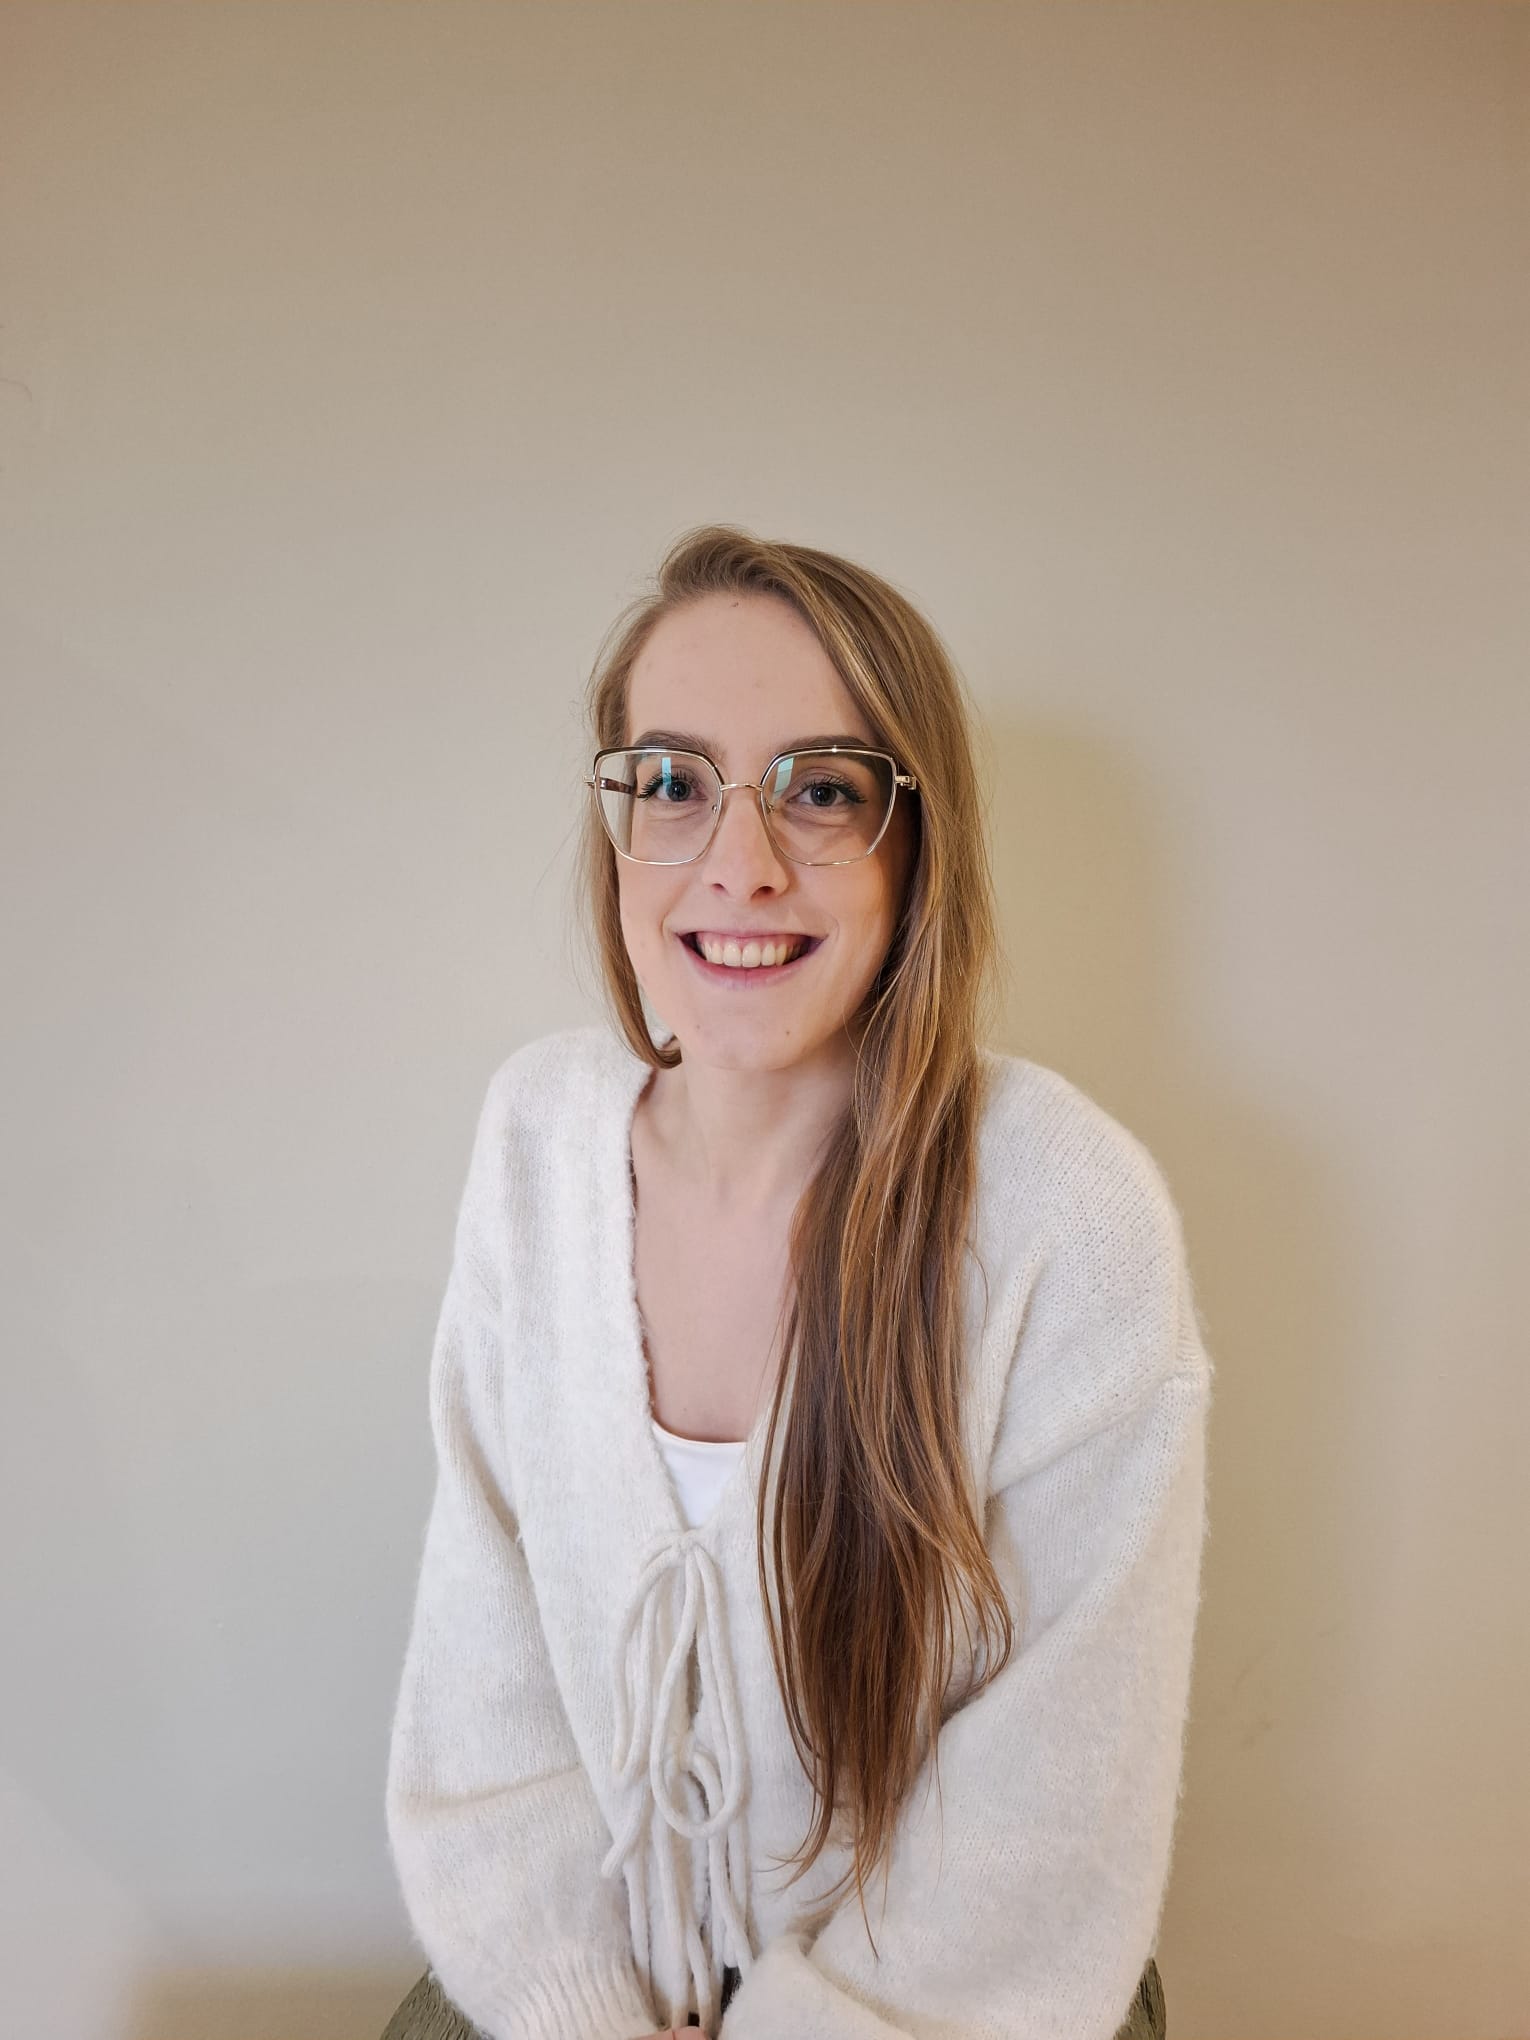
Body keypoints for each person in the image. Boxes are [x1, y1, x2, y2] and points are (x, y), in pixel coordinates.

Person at [381, 526, 1212, 2039]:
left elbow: (1046, 1812)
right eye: (673, 782)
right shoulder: (535, 1142)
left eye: (820, 790)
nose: (740, 862)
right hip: (586, 1984)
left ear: (917, 841)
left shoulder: (1064, 1215)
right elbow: (482, 1691)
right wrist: (586, 2012)